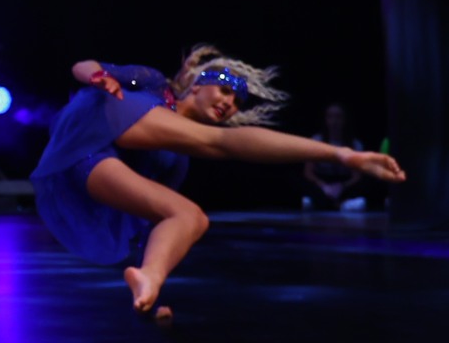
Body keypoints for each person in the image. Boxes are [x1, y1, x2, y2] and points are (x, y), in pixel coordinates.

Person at [33, 45, 405, 322]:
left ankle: (148, 281)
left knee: (189, 217)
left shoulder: (177, 159)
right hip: (91, 129)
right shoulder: (153, 84)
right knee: (217, 142)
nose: (230, 104)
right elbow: (83, 65)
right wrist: (99, 77)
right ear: (197, 85)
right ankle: (341, 154)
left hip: (93, 167)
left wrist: (153, 295)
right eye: (225, 92)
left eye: (237, 102)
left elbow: (149, 228)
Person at [304, 102, 370, 211]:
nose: (334, 121)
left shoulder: (355, 144)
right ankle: (335, 205)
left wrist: (342, 186)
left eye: (338, 117)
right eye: (330, 116)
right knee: (304, 184)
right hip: (322, 181)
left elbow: (356, 176)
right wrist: (323, 186)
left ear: (345, 120)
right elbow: (308, 172)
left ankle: (334, 204)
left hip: (344, 183)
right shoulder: (316, 141)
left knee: (366, 183)